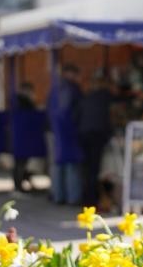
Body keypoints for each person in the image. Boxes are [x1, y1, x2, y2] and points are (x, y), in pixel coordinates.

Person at [76, 72, 114, 207]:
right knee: (94, 170)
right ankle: (92, 201)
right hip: (96, 135)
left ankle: (86, 199)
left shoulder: (87, 97)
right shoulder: (105, 95)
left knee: (87, 169)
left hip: (84, 134)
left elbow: (78, 116)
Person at [47, 65, 83, 204]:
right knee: (71, 166)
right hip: (69, 130)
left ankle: (57, 195)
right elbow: (78, 110)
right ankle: (73, 197)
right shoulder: (73, 89)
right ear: (71, 73)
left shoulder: (55, 89)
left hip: (55, 130)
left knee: (57, 164)